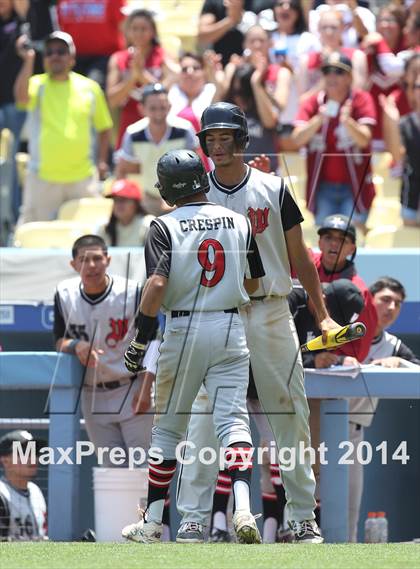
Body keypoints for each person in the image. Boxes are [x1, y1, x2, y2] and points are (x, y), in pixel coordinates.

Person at [175, 102, 339, 544]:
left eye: (226, 137)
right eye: (211, 138)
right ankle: (192, 516)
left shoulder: (272, 186)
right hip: (216, 312)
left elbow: (300, 256)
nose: (218, 145)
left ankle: (302, 516)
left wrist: (322, 315)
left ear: (243, 141)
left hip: (268, 307)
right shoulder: (193, 192)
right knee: (204, 416)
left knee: (289, 412)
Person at [120, 149, 265, 544]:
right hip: (232, 325)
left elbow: (157, 285)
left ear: (167, 187)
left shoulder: (162, 226)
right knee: (233, 423)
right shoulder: (237, 221)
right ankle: (243, 508)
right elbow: (253, 283)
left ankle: (151, 522)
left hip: (185, 327)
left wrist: (140, 338)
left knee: (168, 430)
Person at [53, 234, 157, 468]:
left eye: (97, 259)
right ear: (74, 265)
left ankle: (155, 508)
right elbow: (58, 340)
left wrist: (146, 387)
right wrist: (75, 345)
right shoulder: (65, 294)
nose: (91, 266)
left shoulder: (131, 292)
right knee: (113, 473)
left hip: (132, 389)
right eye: (84, 259)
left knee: (146, 470)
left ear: (107, 260)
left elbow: (153, 341)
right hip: (93, 395)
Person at [14, 31, 113, 224]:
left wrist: (102, 161)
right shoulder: (36, 83)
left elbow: (104, 127)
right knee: (37, 240)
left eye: (61, 51)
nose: (55, 56)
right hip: (43, 179)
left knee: (88, 239)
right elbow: (21, 98)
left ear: (72, 58)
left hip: (82, 179)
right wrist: (28, 60)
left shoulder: (90, 87)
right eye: (49, 52)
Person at [292, 52, 376, 228]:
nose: (332, 76)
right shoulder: (314, 102)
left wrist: (348, 122)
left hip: (354, 188)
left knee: (350, 240)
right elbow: (297, 139)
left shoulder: (361, 99)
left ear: (349, 77)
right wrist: (318, 120)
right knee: (325, 240)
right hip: (323, 188)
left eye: (338, 72)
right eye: (327, 71)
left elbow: (364, 139)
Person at [115, 83, 198, 216]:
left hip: (182, 197)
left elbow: (195, 169)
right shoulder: (133, 133)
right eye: (153, 108)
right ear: (142, 109)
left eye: (162, 107)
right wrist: (127, 200)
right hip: (146, 200)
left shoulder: (184, 129)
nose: (158, 113)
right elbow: (122, 169)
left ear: (170, 107)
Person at [106, 9, 178, 149]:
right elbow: (112, 99)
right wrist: (132, 78)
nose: (139, 33)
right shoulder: (118, 58)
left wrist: (142, 75)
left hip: (159, 124)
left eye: (144, 29)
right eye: (134, 29)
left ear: (153, 31)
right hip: (128, 123)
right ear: (127, 31)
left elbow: (167, 93)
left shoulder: (163, 56)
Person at [311, 213, 377, 362]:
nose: (334, 244)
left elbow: (360, 343)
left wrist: (335, 360)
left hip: (331, 365)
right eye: (328, 237)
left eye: (342, 240)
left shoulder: (359, 292)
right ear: (320, 242)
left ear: (352, 249)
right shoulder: (302, 266)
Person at [57, 0, 127, 89]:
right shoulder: (63, 2)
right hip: (71, 57)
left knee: (93, 87)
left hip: (105, 57)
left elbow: (126, 28)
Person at [0, 430, 47, 541]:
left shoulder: (35, 491)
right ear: (5, 461)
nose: (32, 458)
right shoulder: (2, 494)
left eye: (34, 452)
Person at [97, 179, 154, 247]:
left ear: (136, 203)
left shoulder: (148, 225)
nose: (118, 205)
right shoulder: (104, 226)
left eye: (123, 200)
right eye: (116, 200)